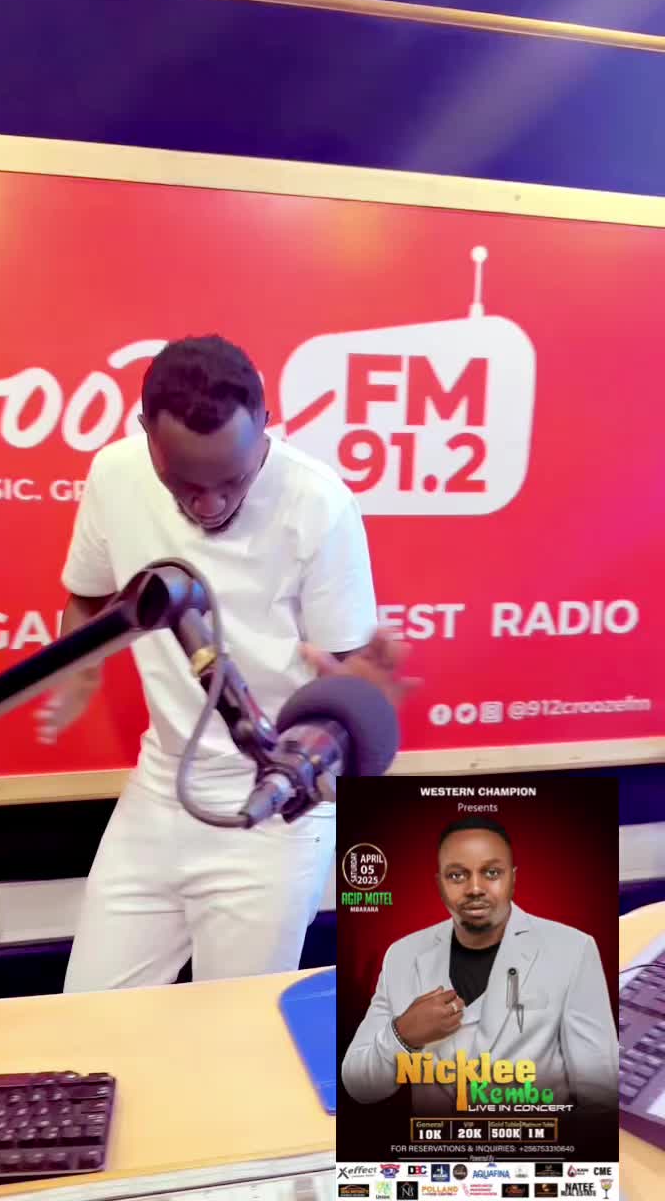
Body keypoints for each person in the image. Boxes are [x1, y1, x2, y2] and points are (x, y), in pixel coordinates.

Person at [37, 335, 414, 991]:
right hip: (160, 791)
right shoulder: (115, 475)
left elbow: (347, 680)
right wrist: (81, 668)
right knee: (87, 1015)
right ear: (146, 434)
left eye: (231, 482)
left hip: (274, 810)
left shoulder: (319, 503)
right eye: (184, 484)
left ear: (265, 424)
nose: (207, 504)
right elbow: (89, 598)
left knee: (231, 1027)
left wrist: (364, 706)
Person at [341, 815, 618, 1111]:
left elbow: (600, 1091)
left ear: (513, 878)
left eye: (491, 872)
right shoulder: (403, 955)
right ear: (439, 884)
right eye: (457, 875)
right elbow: (359, 1084)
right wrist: (403, 1036)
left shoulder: (572, 949)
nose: (475, 888)